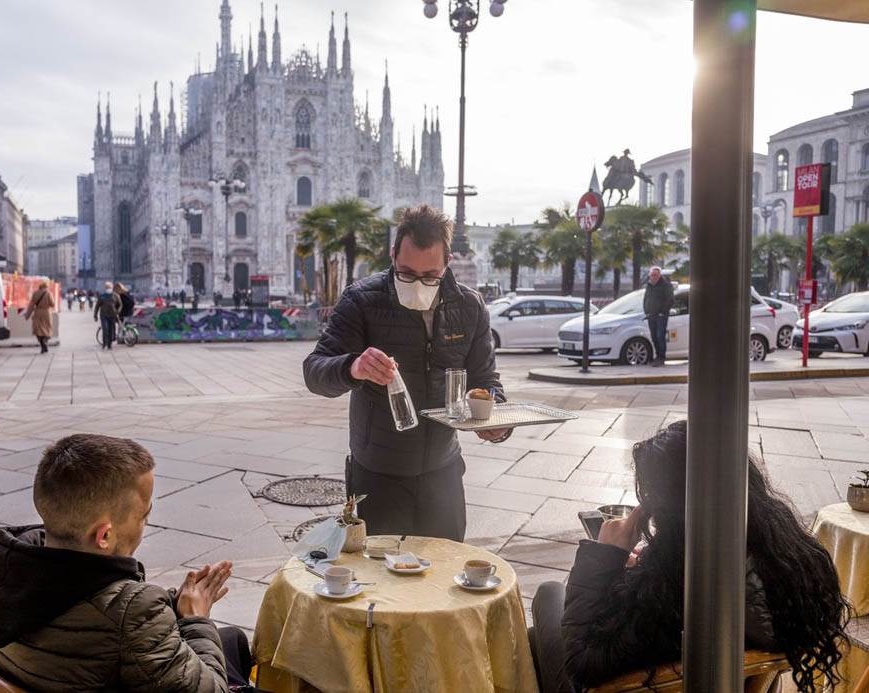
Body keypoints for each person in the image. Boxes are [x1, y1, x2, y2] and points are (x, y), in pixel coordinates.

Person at [528, 420, 849, 693]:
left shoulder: (676, 597)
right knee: (534, 634)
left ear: (673, 511)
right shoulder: (777, 553)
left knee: (548, 594)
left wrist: (604, 556)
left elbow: (581, 663)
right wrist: (656, 563)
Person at [0, 433, 251, 691]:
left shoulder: (10, 569)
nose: (146, 524)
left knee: (233, 640)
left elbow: (100, 616)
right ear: (105, 535)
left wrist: (170, 605)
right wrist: (195, 617)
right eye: (144, 515)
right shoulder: (132, 612)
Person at [302, 205, 511, 541]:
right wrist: (353, 367)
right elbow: (314, 371)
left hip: (442, 471)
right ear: (392, 255)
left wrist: (496, 423)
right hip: (378, 473)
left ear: (447, 264)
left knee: (445, 576)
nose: (417, 284)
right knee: (383, 584)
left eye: (430, 276)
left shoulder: (469, 306)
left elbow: (486, 382)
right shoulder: (362, 301)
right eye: (406, 273)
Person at [643, 266, 674, 366]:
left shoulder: (666, 285)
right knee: (654, 337)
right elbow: (645, 299)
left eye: (655, 275)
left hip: (661, 316)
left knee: (660, 336)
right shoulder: (649, 285)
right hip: (651, 315)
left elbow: (670, 300)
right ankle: (657, 356)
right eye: (652, 275)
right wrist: (646, 311)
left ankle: (661, 357)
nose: (653, 277)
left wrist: (662, 312)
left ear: (659, 275)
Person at [25, 282, 55, 354]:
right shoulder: (49, 293)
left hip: (38, 313)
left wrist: (27, 315)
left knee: (38, 329)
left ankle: (42, 346)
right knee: (47, 329)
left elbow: (31, 305)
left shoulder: (35, 293)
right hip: (46, 313)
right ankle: (45, 340)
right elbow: (52, 304)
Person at [94, 282, 122, 350]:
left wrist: (118, 311)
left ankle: (109, 344)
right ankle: (104, 343)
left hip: (112, 315)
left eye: (109, 287)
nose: (108, 289)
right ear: (105, 288)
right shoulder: (102, 296)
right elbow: (97, 306)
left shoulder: (116, 296)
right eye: (107, 287)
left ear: (112, 288)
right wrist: (95, 315)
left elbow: (120, 304)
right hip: (104, 315)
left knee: (111, 330)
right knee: (105, 329)